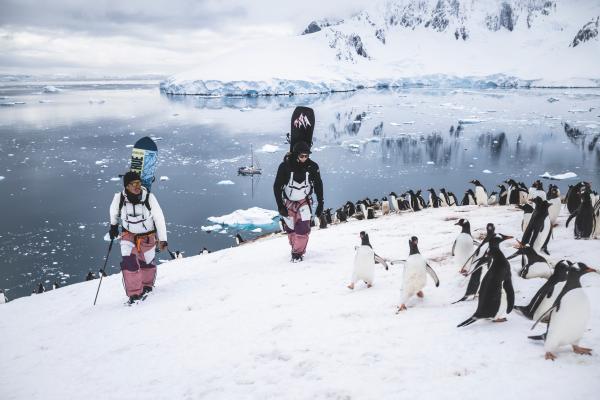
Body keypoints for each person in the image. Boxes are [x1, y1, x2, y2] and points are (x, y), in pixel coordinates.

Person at [109, 171, 168, 304]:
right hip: (128, 235)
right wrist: (113, 226)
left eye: (139, 183)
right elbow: (113, 211)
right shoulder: (119, 198)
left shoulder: (149, 198)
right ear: (126, 186)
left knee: (146, 263)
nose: (137, 186)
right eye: (133, 183)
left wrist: (163, 239)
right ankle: (134, 294)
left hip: (147, 236)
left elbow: (159, 218)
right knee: (129, 263)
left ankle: (147, 286)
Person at [273, 141, 324, 261]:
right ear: (296, 155)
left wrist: (320, 203)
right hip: (289, 201)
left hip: (304, 201)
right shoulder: (285, 166)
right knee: (290, 228)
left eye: (307, 156)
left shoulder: (312, 167)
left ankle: (297, 254)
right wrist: (280, 205)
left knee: (303, 228)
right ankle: (294, 247)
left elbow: (318, 185)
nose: (304, 158)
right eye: (302, 156)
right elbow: (276, 186)